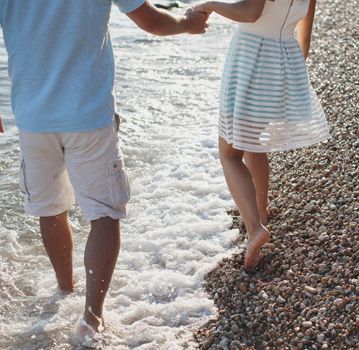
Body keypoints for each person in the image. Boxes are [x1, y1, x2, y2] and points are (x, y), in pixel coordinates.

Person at [0, 0, 207, 342]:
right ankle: (91, 318)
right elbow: (151, 22)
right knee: (104, 214)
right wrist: (186, 23)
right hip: (89, 116)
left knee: (50, 209)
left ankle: (64, 290)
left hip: (33, 119)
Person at [191, 0, 329, 271]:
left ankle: (255, 228)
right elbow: (305, 39)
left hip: (251, 59)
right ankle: (259, 211)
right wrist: (289, 78)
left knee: (229, 154)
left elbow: (249, 13)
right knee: (254, 142)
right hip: (283, 63)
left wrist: (211, 6)